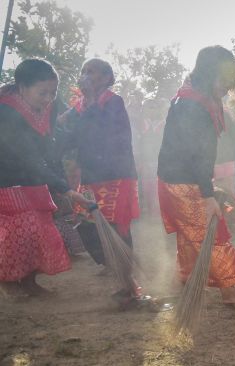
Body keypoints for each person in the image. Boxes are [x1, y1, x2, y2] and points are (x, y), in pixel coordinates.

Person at [157, 46, 235, 304]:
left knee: (191, 233)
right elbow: (199, 155)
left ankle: (189, 278)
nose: (227, 88)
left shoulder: (190, 97)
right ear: (209, 73)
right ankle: (229, 290)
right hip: (183, 182)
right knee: (211, 232)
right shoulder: (196, 105)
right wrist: (208, 195)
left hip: (174, 178)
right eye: (224, 81)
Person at [0, 59, 91, 296]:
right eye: (42, 92)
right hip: (7, 179)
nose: (48, 98)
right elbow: (27, 157)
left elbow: (51, 150)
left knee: (41, 230)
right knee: (18, 233)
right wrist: (66, 188)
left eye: (52, 92)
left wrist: (61, 184)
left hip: (35, 177)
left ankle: (29, 281)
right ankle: (10, 282)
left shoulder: (48, 107)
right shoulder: (6, 111)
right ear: (22, 88)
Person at [57, 58, 141, 297]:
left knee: (116, 227)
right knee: (87, 225)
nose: (85, 75)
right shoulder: (80, 107)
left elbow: (100, 133)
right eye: (83, 70)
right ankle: (115, 266)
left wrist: (88, 102)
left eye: (91, 72)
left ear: (106, 78)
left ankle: (128, 284)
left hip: (116, 174)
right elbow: (69, 136)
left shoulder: (114, 102)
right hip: (92, 175)